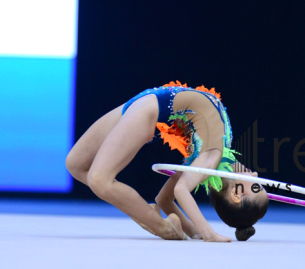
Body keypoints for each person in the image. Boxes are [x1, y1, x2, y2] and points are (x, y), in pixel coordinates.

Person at [65, 80, 269, 242]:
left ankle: (163, 228)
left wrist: (208, 233)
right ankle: (148, 215)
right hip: (143, 101)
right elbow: (164, 200)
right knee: (75, 164)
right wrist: (194, 231)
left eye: (257, 186)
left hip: (147, 110)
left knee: (99, 179)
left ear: (236, 194)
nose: (255, 174)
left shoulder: (211, 157)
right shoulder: (208, 159)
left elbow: (179, 191)